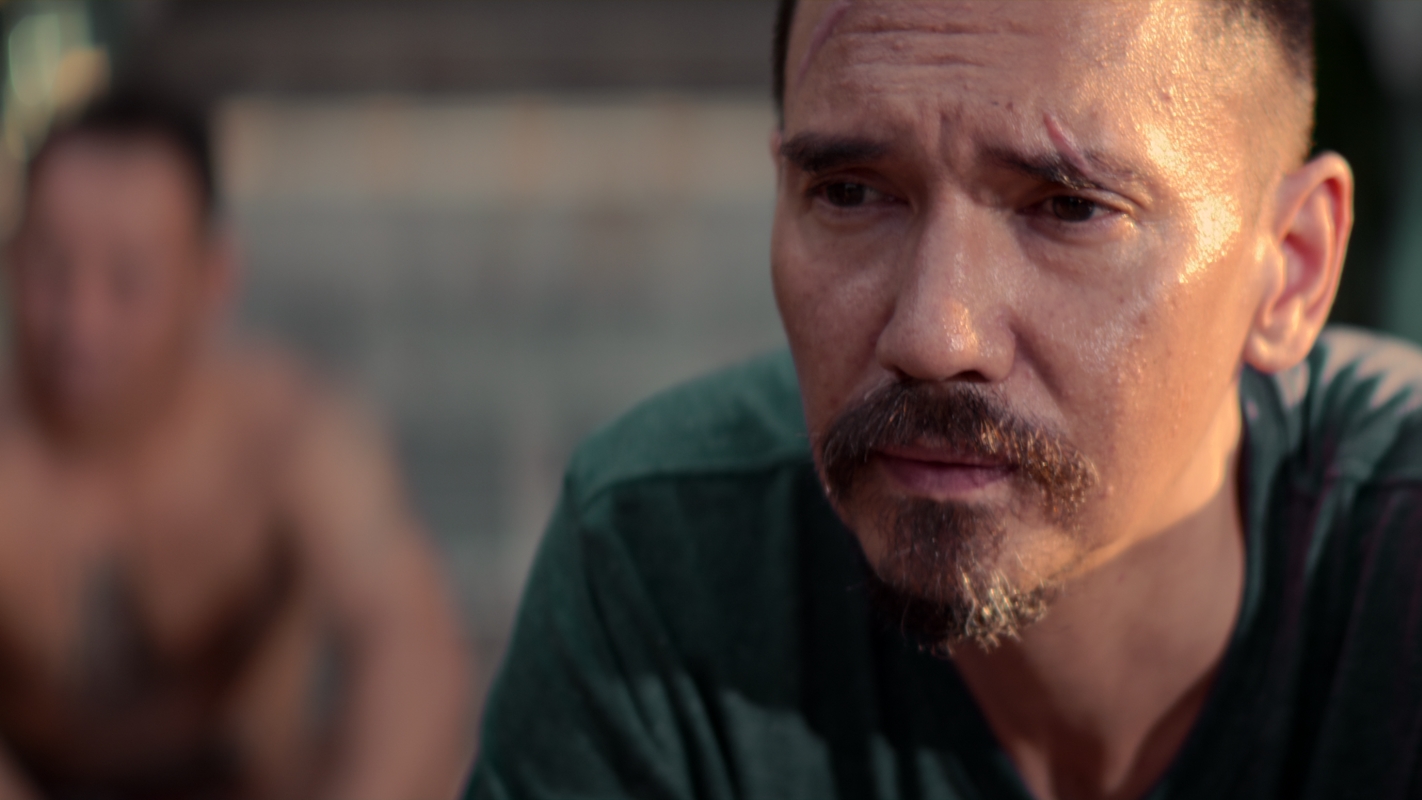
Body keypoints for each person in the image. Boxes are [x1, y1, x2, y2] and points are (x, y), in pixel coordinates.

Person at [468, 0, 1422, 798]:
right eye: (850, 193)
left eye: (1069, 208)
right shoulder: (667, 560)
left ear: (1291, 268)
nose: (933, 336)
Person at [0, 92, 471, 800]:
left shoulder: (286, 436)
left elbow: (409, 645)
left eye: (127, 281)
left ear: (212, 276)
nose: (82, 322)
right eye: (51, 270)